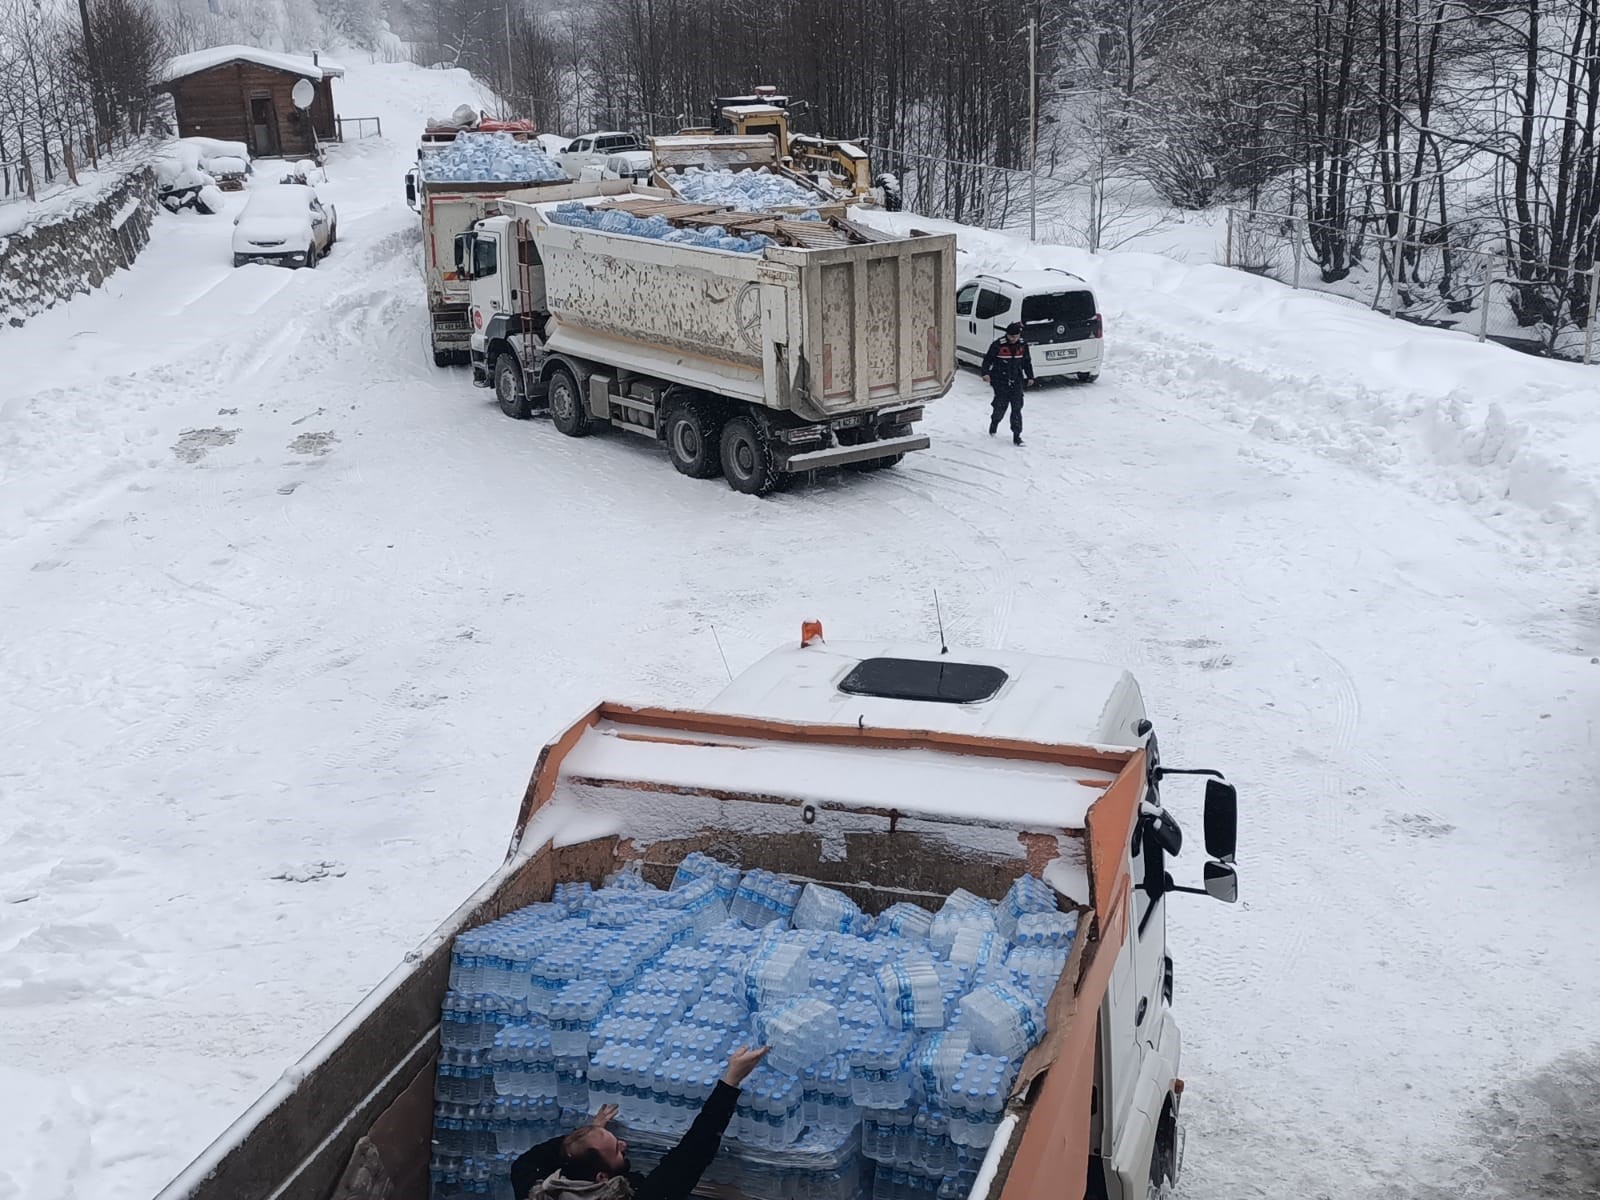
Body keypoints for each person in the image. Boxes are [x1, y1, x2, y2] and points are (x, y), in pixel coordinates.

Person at [511, 1045, 770, 1200]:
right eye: (616, 1149)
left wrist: (592, 1134)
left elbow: (527, 1161)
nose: (624, 1143)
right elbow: (691, 1155)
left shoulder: (536, 1189)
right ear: (602, 1177)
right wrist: (730, 1081)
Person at [981, 321, 1036, 445]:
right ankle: (995, 422)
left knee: (1017, 408)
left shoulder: (1023, 345)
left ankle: (1017, 436)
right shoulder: (998, 345)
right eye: (1011, 336)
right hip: (1000, 380)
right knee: (1001, 405)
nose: (1013, 339)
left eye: (1016, 336)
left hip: (1016, 379)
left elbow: (1027, 362)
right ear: (1007, 335)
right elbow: (987, 360)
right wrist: (985, 373)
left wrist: (1030, 376)